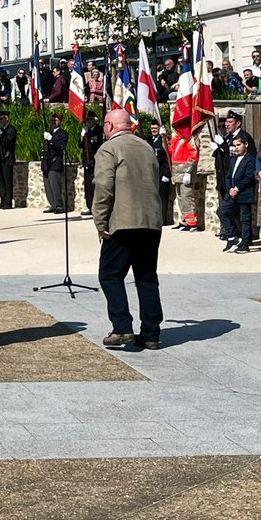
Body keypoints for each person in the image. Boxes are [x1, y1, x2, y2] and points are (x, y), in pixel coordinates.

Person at [93, 109, 164, 351]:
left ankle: (122, 326)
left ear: (110, 127)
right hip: (151, 222)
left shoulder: (108, 149)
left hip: (122, 222)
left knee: (110, 275)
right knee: (146, 277)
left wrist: (100, 222)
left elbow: (103, 187)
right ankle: (151, 333)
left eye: (105, 125)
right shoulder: (146, 147)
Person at [219, 131, 258, 253]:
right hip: (231, 193)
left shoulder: (251, 159)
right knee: (222, 211)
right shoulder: (233, 159)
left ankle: (245, 243)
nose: (236, 148)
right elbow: (229, 175)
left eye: (238, 145)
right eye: (235, 145)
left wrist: (237, 188)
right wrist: (230, 188)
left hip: (243, 193)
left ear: (246, 144)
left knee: (244, 219)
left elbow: (248, 177)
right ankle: (232, 237)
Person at [212, 110, 245, 238]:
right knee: (226, 209)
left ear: (238, 123)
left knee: (235, 210)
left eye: (230, 122)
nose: (226, 125)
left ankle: (239, 234)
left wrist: (222, 146)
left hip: (235, 181)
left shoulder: (242, 137)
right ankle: (228, 232)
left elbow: (234, 158)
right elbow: (224, 159)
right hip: (225, 178)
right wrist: (217, 150)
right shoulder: (228, 137)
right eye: (226, 122)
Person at [169, 127, 200, 230]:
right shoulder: (176, 139)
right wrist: (163, 137)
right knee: (180, 197)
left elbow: (194, 155)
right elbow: (169, 149)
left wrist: (189, 171)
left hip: (186, 172)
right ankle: (185, 220)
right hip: (176, 172)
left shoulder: (190, 138)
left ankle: (192, 223)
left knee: (187, 197)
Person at [41, 111, 68, 213]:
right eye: (52, 120)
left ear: (60, 121)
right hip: (47, 163)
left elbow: (61, 146)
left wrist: (51, 139)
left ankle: (59, 205)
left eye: (56, 120)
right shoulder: (49, 132)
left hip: (55, 162)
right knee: (48, 186)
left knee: (55, 185)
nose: (53, 122)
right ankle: (53, 204)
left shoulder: (62, 134)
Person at [147, 120, 173, 227]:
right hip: (151, 174)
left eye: (155, 128)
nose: (153, 130)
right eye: (152, 128)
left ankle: (162, 220)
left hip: (161, 173)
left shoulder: (164, 140)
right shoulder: (148, 140)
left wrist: (167, 174)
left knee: (162, 197)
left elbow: (168, 158)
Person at [79, 111, 105, 217]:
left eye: (91, 119)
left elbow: (99, 145)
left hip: (96, 162)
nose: (88, 121)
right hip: (87, 162)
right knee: (88, 186)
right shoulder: (86, 132)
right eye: (87, 119)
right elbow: (81, 145)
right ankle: (90, 207)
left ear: (95, 120)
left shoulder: (99, 131)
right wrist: (82, 136)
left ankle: (97, 208)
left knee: (96, 186)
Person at [0, 109, 17, 209]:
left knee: (7, 181)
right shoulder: (0, 129)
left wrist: (1, 135)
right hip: (0, 159)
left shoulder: (11, 130)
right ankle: (2, 200)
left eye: (1, 119)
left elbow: (9, 143)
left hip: (7, 158)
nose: (0, 121)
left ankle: (8, 202)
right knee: (0, 181)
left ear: (7, 119)